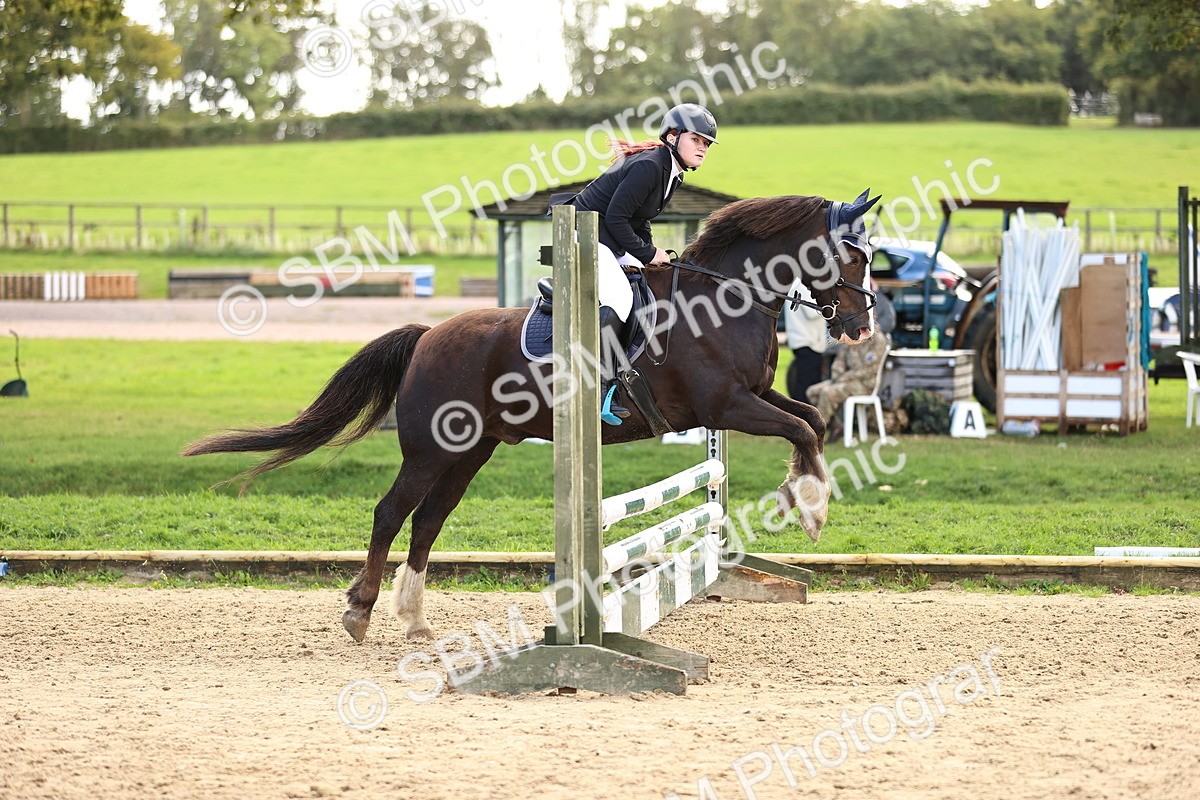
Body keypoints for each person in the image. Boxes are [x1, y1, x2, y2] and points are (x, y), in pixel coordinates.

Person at [556, 103, 718, 425]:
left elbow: (638, 218)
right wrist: (646, 254)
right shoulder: (649, 165)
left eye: (707, 144)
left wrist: (652, 252)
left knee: (650, 283)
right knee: (620, 297)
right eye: (697, 140)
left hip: (606, 236)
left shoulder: (671, 172)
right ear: (673, 136)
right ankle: (600, 387)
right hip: (582, 234)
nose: (703, 148)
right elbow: (617, 217)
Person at [806, 281, 894, 441]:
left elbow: (870, 370)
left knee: (828, 392)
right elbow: (841, 357)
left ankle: (816, 434)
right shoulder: (855, 336)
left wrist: (845, 377)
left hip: (865, 384)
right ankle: (837, 426)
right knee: (812, 392)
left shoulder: (878, 340)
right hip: (845, 380)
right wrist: (837, 373)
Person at [783, 280, 828, 403]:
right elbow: (812, 312)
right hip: (807, 342)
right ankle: (802, 415)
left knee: (805, 382)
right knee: (806, 385)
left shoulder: (797, 285)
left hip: (805, 341)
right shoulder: (801, 286)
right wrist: (829, 303)